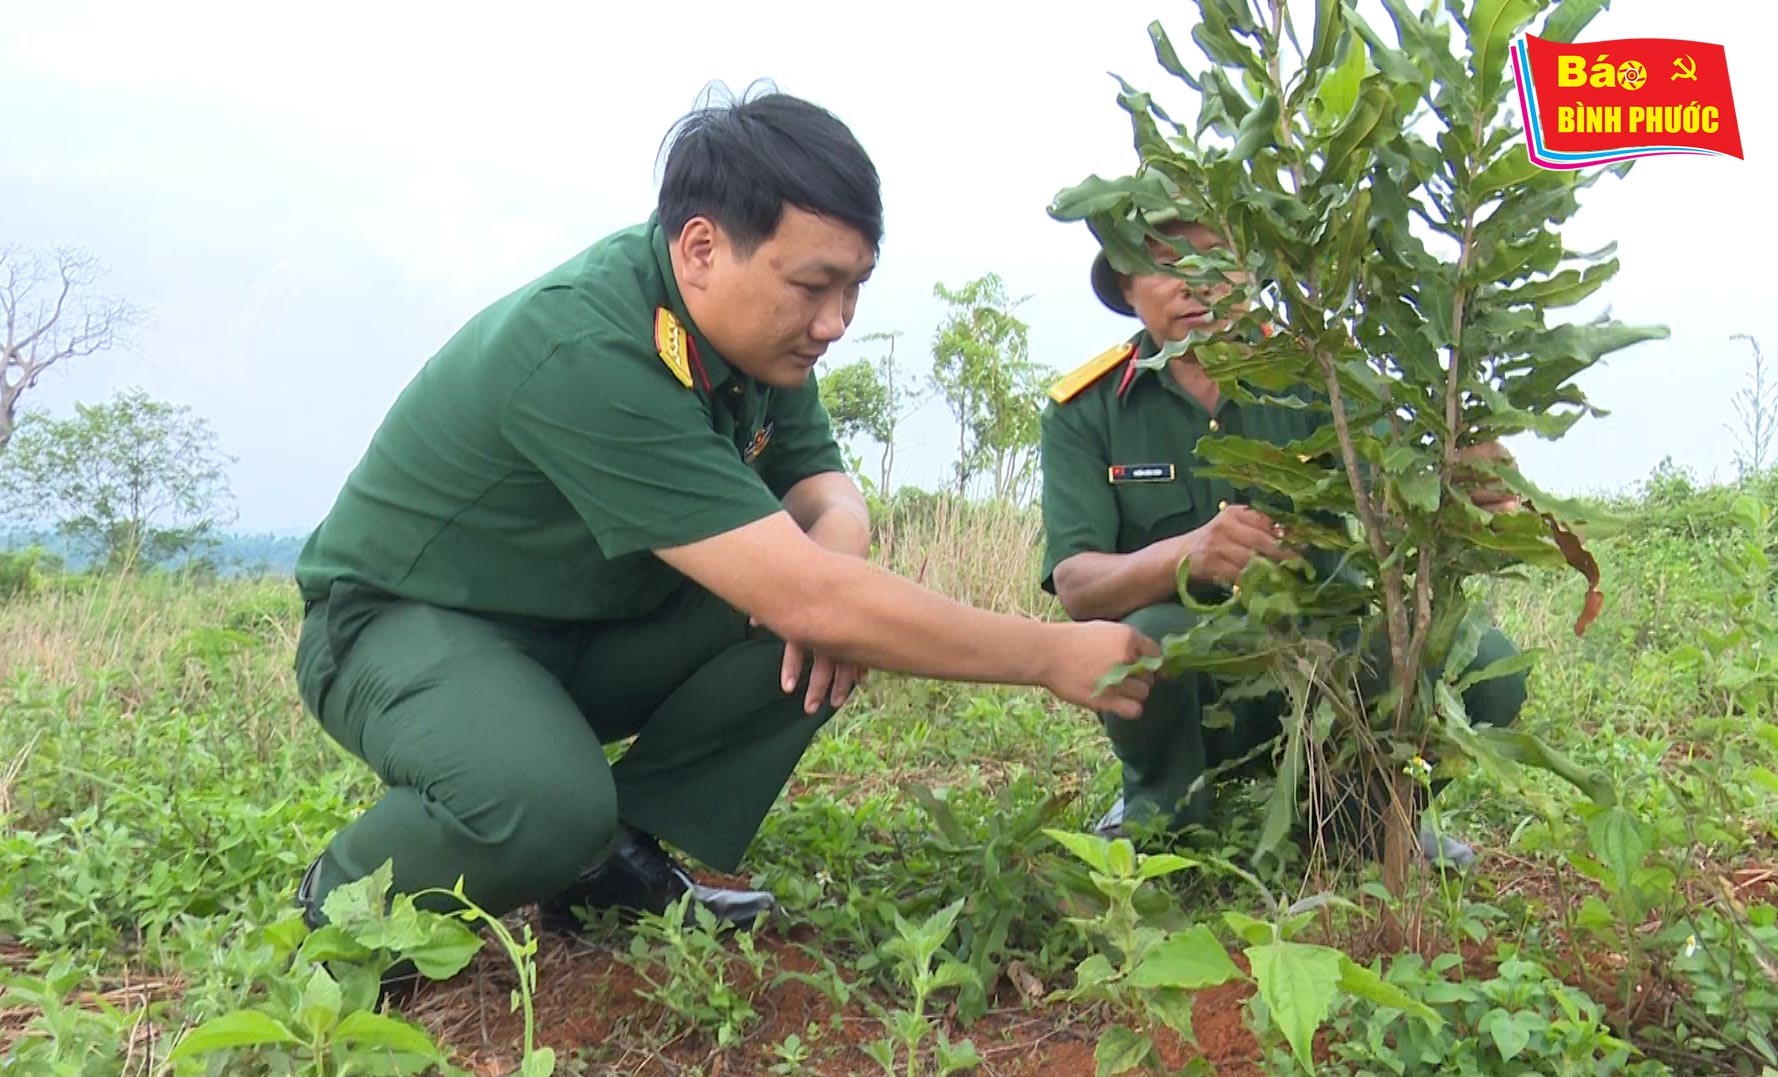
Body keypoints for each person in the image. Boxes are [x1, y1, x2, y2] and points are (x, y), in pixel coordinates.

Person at [290, 88, 1159, 940]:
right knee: (541, 803)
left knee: (825, 606)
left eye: (856, 285)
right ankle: (339, 897)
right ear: (702, 247)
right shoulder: (591, 347)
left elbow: (826, 486)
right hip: (403, 620)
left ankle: (606, 864)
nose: (836, 321)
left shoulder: (757, 340)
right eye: (814, 285)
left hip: (578, 627)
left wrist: (835, 559)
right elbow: (812, 594)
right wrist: (1051, 653)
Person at [1037, 198, 1529, 866]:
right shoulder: (1085, 409)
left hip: (1330, 666)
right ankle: (1160, 810)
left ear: (1253, 271)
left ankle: (1366, 818)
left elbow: (1407, 494)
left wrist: (1468, 491)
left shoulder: (1322, 381)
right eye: (1162, 262)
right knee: (1140, 639)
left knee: (1487, 662)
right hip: (1192, 687)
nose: (1196, 283)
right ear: (1127, 286)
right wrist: (1188, 554)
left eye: (1217, 258)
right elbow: (1077, 584)